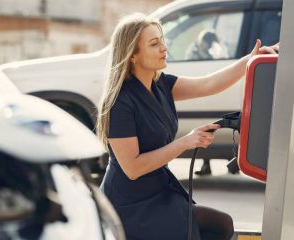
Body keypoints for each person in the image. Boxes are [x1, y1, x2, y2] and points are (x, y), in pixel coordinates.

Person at [97, 13, 277, 240]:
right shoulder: (120, 102)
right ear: (132, 55)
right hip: (130, 205)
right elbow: (133, 169)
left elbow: (210, 84)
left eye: (162, 40)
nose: (164, 47)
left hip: (159, 192)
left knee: (220, 225)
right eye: (154, 44)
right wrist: (186, 142)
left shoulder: (162, 85)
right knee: (218, 226)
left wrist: (251, 60)